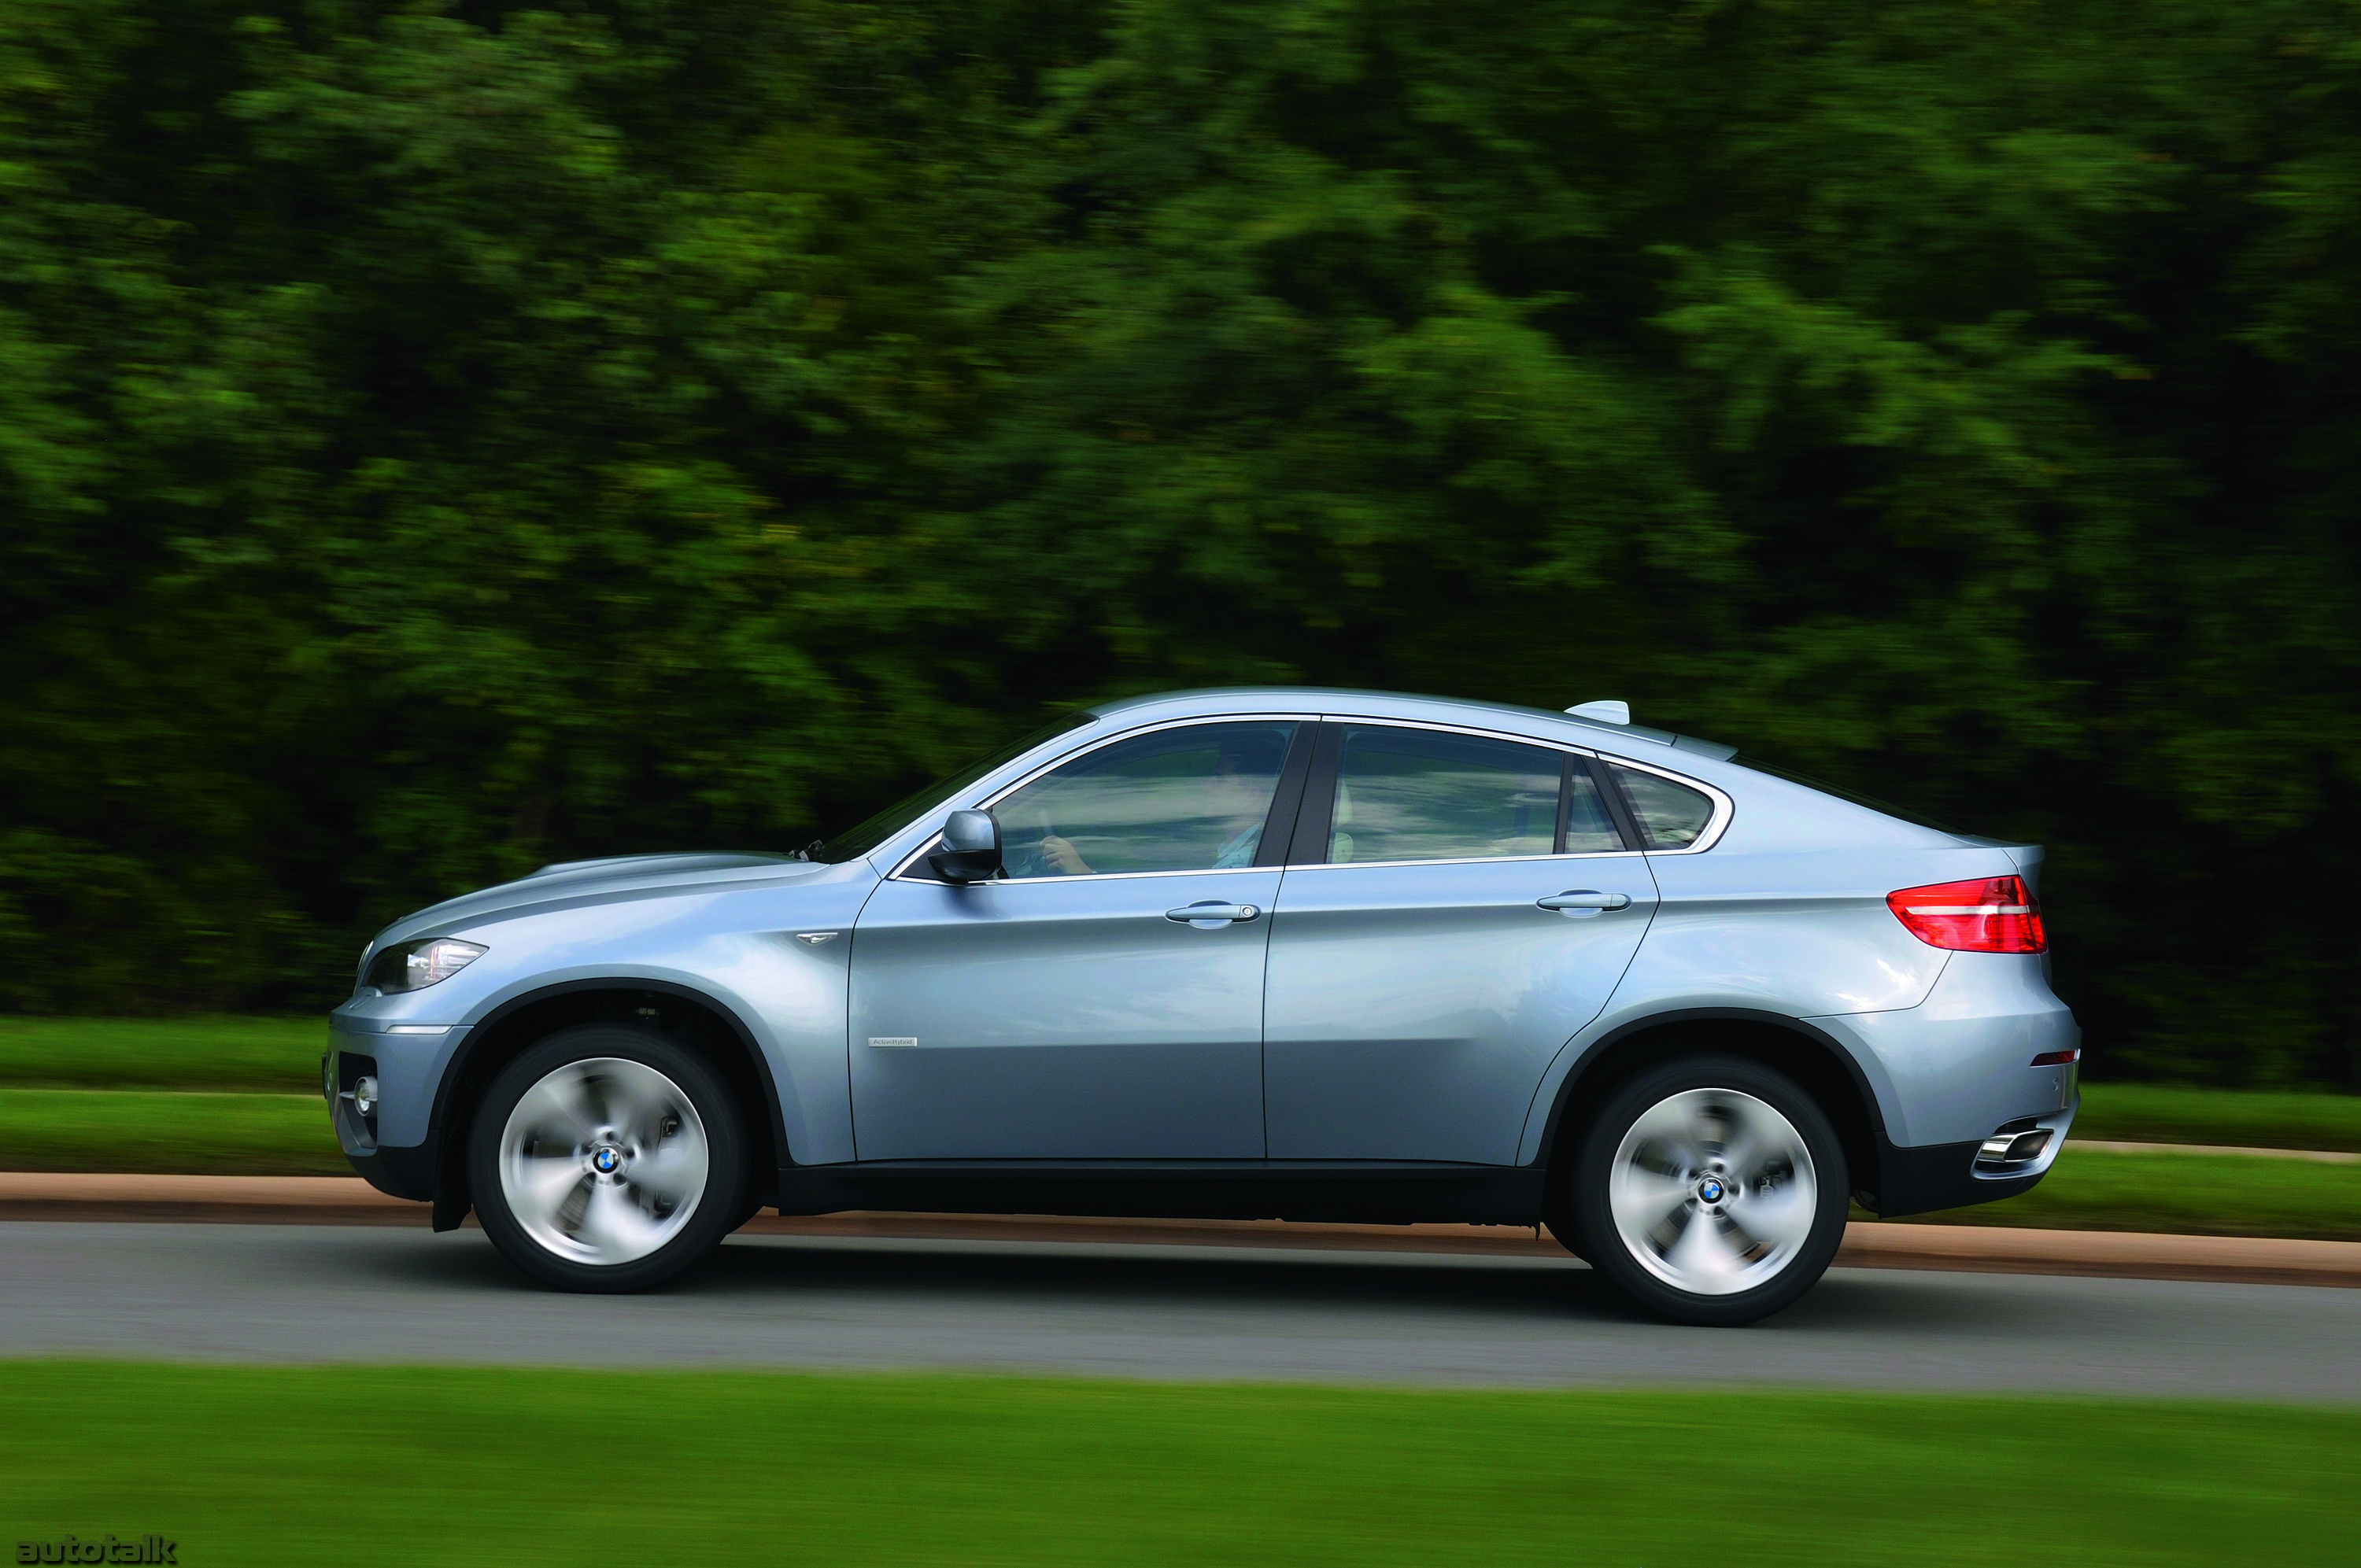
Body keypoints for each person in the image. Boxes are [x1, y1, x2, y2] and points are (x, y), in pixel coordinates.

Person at [1036, 745, 1270, 876]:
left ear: (1251, 794)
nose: (1206, 784)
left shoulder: (1240, 865)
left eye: (1219, 778)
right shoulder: (1246, 853)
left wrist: (1082, 872)